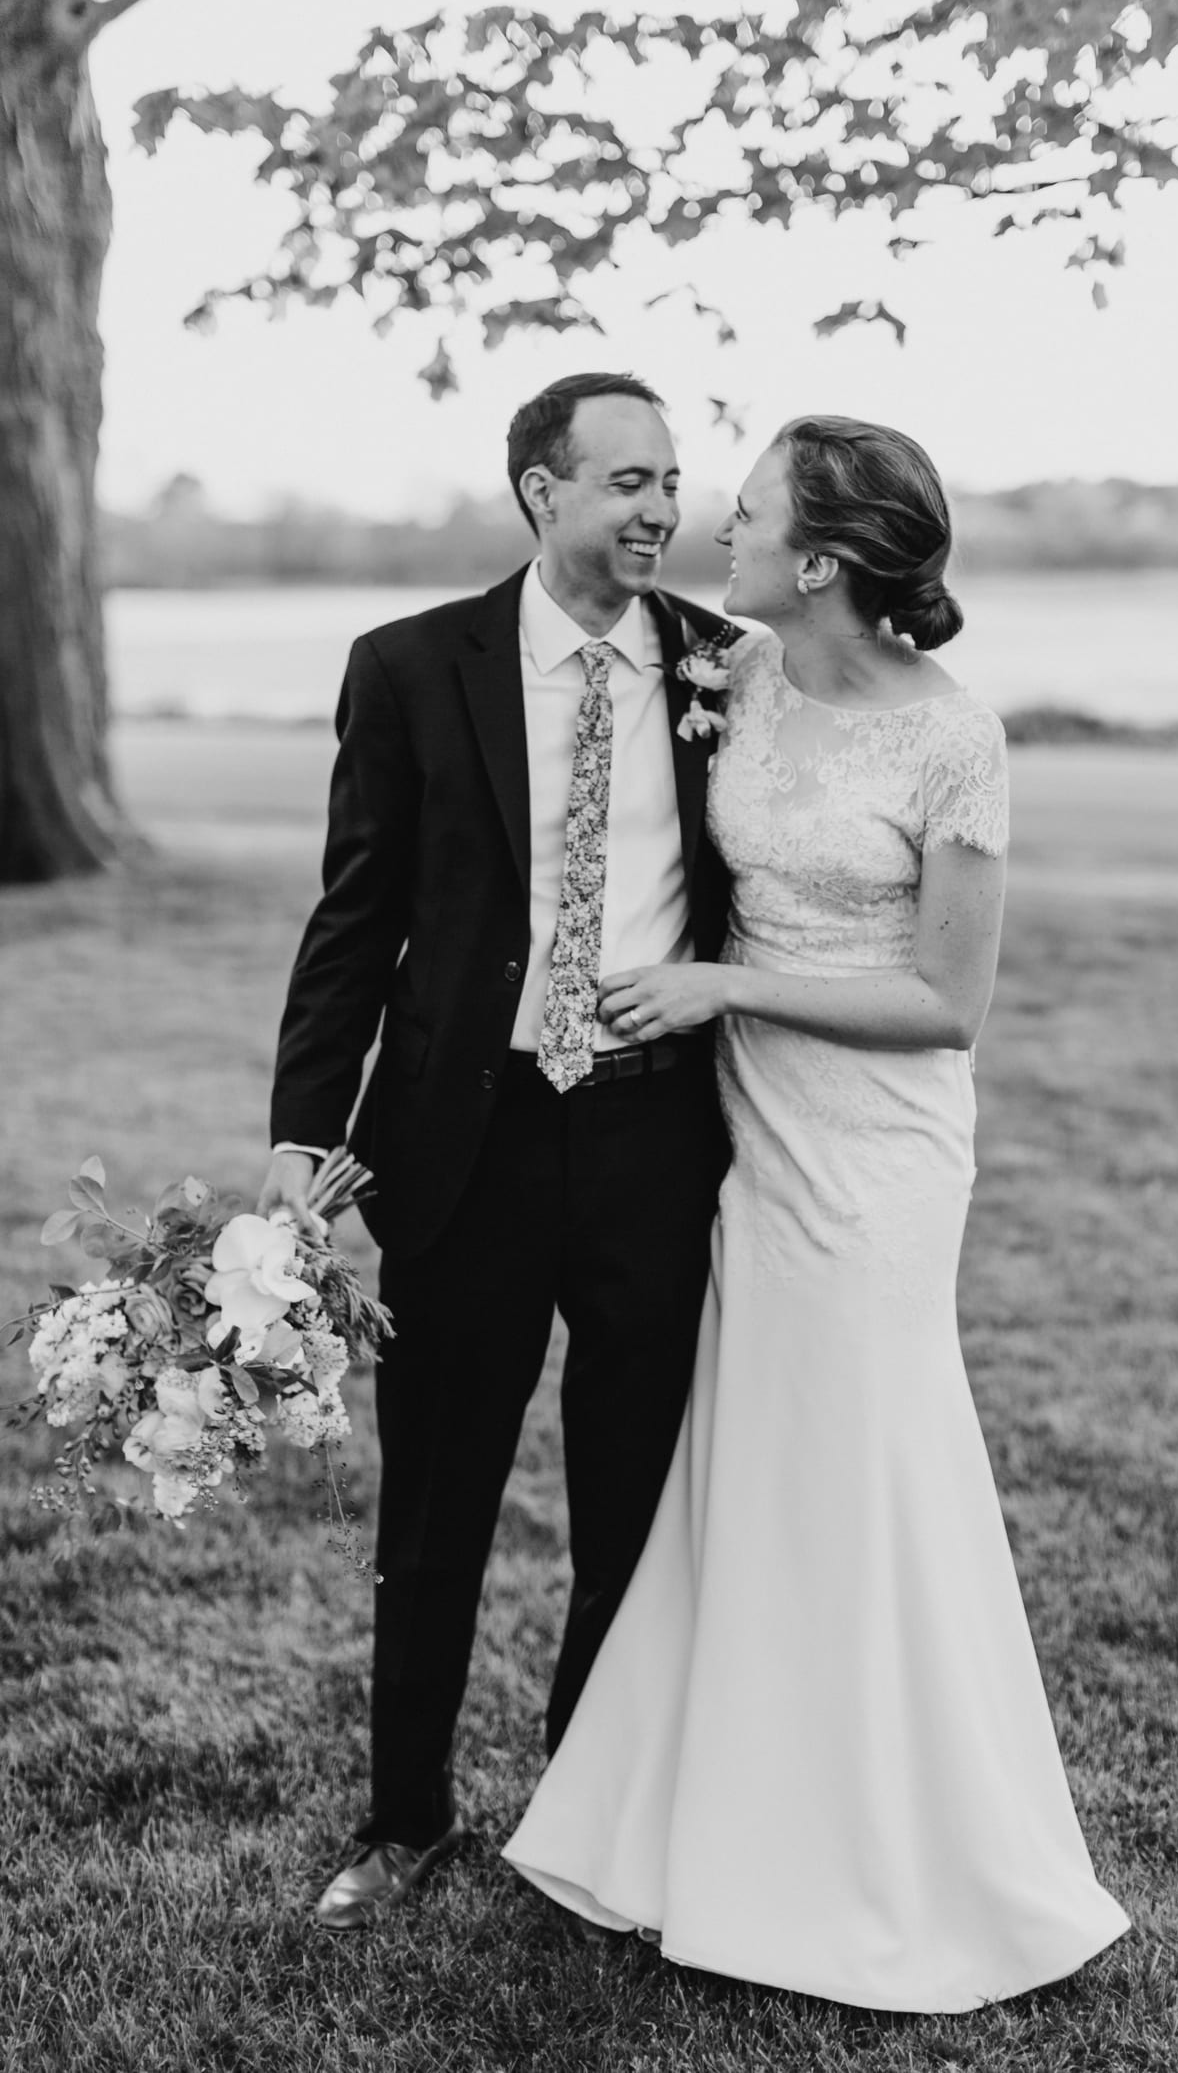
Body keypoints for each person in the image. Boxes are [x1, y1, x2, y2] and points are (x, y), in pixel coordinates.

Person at [503, 415, 1131, 2012]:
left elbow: (947, 1004)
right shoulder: (742, 674)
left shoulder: (955, 740)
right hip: (740, 1138)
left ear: (827, 560)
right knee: (754, 1456)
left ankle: (878, 1845)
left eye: (753, 512)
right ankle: (700, 1810)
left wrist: (718, 984)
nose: (721, 527)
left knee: (855, 1458)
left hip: (878, 1150)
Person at [257, 373, 734, 1930]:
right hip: (468, 1143)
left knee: (632, 1498)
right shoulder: (408, 667)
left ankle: (586, 1824)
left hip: (662, 1138)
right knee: (438, 1501)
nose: (661, 510)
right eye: (625, 483)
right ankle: (404, 1820)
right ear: (541, 492)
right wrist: (298, 1137)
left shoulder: (730, 670)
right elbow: (356, 919)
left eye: (672, 481)